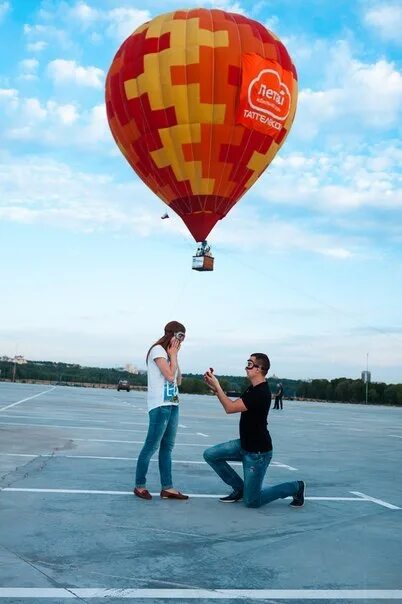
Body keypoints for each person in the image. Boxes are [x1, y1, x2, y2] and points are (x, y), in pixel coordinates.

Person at [203, 354, 305, 507]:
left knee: (252, 502)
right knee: (210, 455)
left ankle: (296, 487)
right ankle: (240, 489)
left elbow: (230, 408)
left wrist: (218, 386)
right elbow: (233, 403)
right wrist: (216, 390)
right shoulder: (253, 388)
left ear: (259, 369)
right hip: (244, 445)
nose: (246, 367)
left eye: (250, 364)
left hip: (258, 454)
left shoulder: (260, 393)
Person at [134, 321, 188, 501]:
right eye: (180, 336)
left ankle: (168, 488)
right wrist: (172, 355)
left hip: (173, 404)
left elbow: (178, 381)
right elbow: (170, 376)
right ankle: (139, 485)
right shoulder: (157, 350)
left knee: (167, 447)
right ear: (171, 334)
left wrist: (175, 356)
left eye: (184, 337)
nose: (181, 340)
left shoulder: (169, 354)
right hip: (160, 405)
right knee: (151, 446)